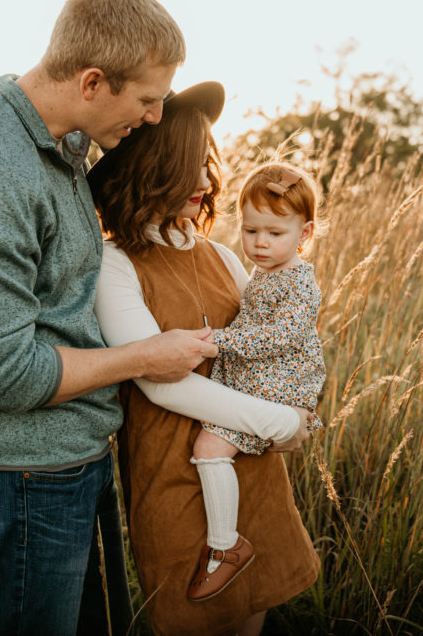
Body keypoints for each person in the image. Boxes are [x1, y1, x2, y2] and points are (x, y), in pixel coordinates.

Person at [0, 0, 223, 636]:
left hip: (63, 465)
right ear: (91, 82)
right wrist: (145, 355)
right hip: (21, 481)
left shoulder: (58, 145)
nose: (154, 119)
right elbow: (0, 375)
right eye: (145, 99)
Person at [90, 82, 319, 636]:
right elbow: (163, 385)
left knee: (252, 614)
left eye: (206, 161)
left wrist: (299, 402)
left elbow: (277, 342)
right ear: (149, 167)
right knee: (189, 617)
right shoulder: (115, 262)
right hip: (172, 473)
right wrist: (281, 421)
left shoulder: (222, 254)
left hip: (251, 469)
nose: (204, 181)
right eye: (186, 165)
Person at [187, 162, 326, 601]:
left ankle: (226, 547)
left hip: (278, 386)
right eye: (250, 231)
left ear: (304, 234)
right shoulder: (266, 275)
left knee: (209, 447)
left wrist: (219, 343)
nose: (260, 243)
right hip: (259, 381)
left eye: (274, 233)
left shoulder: (301, 281)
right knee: (213, 446)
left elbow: (281, 336)